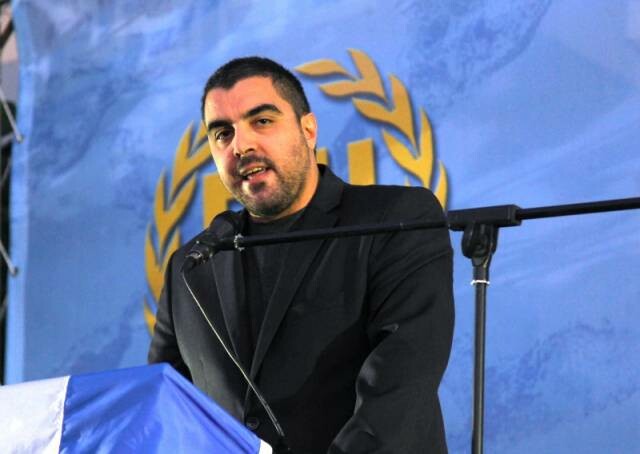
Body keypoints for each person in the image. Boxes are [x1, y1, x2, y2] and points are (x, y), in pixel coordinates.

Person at [149, 57, 454, 454]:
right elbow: (165, 413)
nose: (241, 146)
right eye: (223, 133)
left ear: (308, 130)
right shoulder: (190, 267)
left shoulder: (395, 219)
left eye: (262, 121)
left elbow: (401, 385)